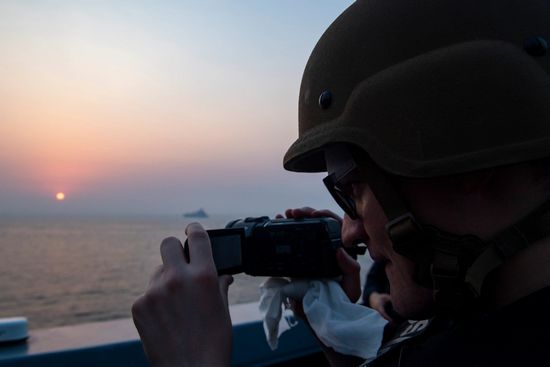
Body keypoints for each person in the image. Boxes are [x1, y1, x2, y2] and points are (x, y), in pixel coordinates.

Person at [131, 0, 550, 366]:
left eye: (353, 191)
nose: (349, 235)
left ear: (468, 159)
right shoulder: (476, 323)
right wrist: (343, 339)